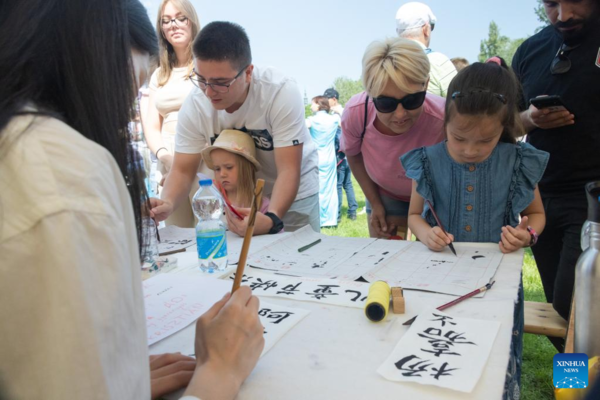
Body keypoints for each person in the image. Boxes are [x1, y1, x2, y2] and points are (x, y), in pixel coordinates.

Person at [0, 1, 263, 399]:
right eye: (132, 82)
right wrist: (219, 376)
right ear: (91, 58)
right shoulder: (62, 172)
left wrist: (115, 380)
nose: (127, 110)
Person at [401, 61, 549, 398]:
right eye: (459, 138)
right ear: (445, 122)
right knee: (439, 352)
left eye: (485, 140)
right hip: (440, 278)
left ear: (505, 127)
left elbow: (537, 214)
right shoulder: (427, 160)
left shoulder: (517, 160)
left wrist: (528, 235)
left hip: (497, 280)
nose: (470, 149)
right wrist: (426, 233)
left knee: (493, 358)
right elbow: (413, 216)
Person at [152, 21, 319, 236]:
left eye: (221, 82)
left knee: (299, 260)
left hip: (293, 193)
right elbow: (183, 170)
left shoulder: (280, 92)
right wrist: (167, 202)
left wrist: (272, 218)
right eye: (201, 79)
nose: (209, 92)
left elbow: (289, 169)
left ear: (248, 73)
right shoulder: (195, 105)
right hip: (238, 196)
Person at [511, 0, 600, 344]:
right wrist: (531, 119)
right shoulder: (531, 50)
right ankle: (574, 388)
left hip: (592, 199)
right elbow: (508, 124)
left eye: (575, 0)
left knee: (572, 304)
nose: (563, 15)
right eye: (551, 4)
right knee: (559, 311)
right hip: (541, 198)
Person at [341, 37, 445, 238]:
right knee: (386, 259)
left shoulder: (444, 118)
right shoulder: (356, 113)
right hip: (385, 194)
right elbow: (353, 156)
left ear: (426, 84)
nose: (400, 115)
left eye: (412, 100)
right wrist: (376, 203)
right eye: (386, 103)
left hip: (434, 197)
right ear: (370, 93)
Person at [142, 0, 200, 228]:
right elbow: (151, 127)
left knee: (213, 231)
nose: (173, 25)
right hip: (168, 163)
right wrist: (168, 160)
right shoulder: (158, 75)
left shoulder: (205, 66)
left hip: (204, 164)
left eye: (180, 18)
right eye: (166, 21)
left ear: (192, 20)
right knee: (178, 235)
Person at [201, 129, 276, 229]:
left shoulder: (261, 204)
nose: (222, 174)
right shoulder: (214, 200)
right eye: (217, 169)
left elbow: (275, 235)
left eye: (229, 167)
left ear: (246, 168)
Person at [395, 2, 457, 97]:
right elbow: (460, 103)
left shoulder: (387, 63)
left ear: (398, 32)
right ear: (426, 30)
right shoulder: (439, 61)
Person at [324, 88, 358, 222]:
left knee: (338, 185)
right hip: (349, 154)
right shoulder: (344, 111)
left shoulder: (337, 115)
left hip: (340, 155)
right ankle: (352, 211)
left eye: (327, 99)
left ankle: (336, 215)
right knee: (348, 184)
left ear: (333, 99)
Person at [306, 96, 340, 227]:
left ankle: (319, 219)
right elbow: (346, 121)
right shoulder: (334, 119)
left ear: (319, 105)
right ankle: (331, 220)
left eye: (313, 104)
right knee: (331, 189)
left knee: (317, 188)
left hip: (316, 158)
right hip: (330, 157)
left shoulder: (312, 120)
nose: (311, 107)